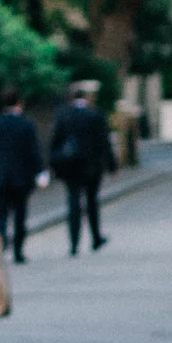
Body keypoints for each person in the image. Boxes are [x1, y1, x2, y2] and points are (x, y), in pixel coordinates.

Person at [48, 80, 117, 255]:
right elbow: (104, 142)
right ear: (86, 98)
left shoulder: (64, 115)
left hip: (71, 167)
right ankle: (95, 237)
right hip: (92, 166)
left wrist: (53, 165)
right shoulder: (95, 114)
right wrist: (112, 165)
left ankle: (74, 243)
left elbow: (55, 142)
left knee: (73, 203)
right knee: (92, 201)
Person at [0, 87, 46, 264]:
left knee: (1, 215)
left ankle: (1, 245)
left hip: (0, 177)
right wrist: (40, 172)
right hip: (21, 178)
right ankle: (18, 251)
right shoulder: (26, 125)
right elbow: (34, 151)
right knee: (20, 216)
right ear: (19, 103)